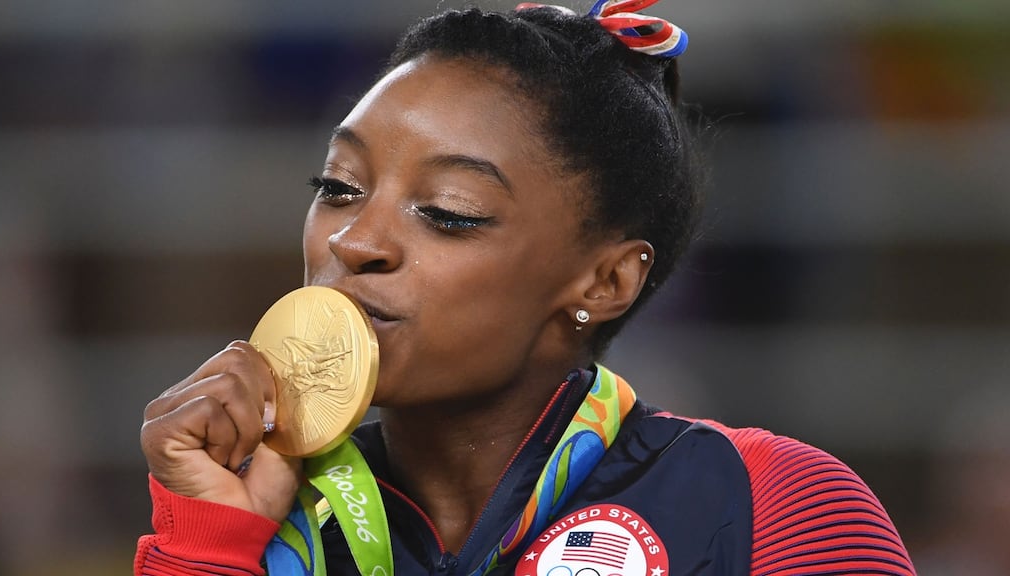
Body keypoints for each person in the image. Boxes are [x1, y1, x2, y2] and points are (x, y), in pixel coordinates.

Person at [135, 2, 917, 575]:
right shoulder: (250, 521)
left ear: (605, 281)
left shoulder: (760, 506)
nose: (355, 241)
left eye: (447, 212)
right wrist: (204, 545)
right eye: (338, 187)